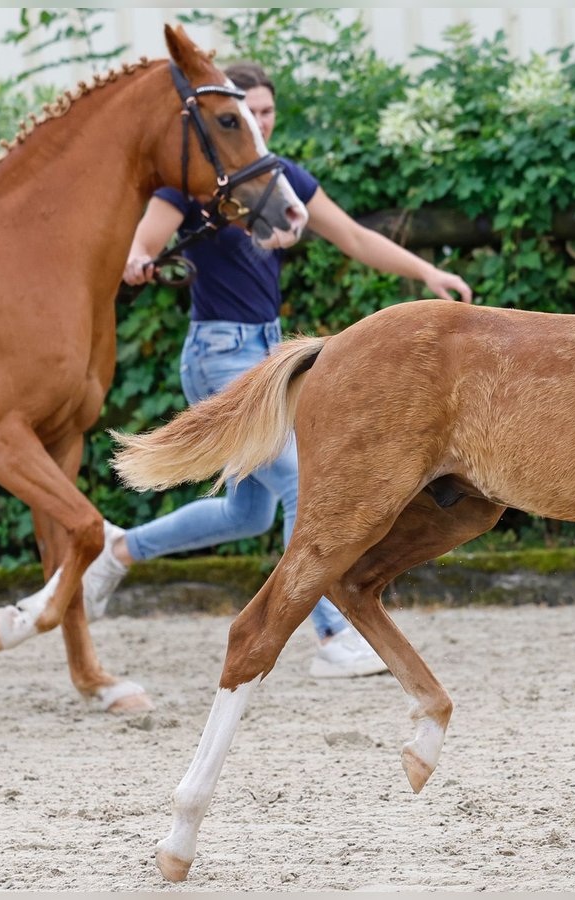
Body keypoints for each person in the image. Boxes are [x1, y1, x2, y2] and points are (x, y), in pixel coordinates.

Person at [81, 62, 473, 678]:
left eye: (266, 113)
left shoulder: (277, 180)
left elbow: (352, 236)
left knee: (248, 515)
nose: (260, 123)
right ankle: (332, 635)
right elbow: (144, 243)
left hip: (270, 357)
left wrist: (424, 273)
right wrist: (138, 260)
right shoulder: (193, 184)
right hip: (218, 355)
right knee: (301, 485)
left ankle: (122, 547)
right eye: (250, 114)